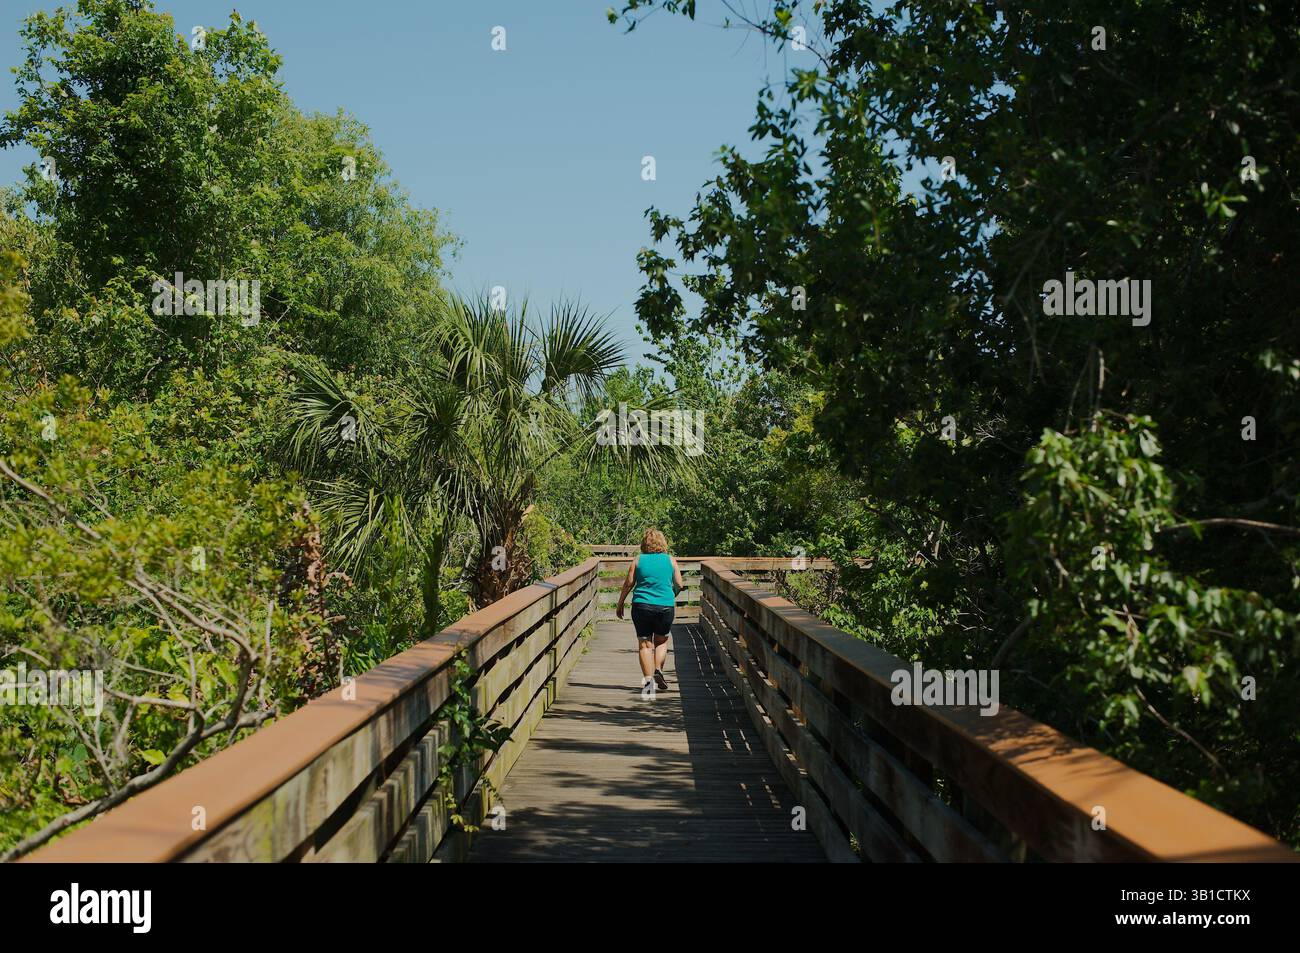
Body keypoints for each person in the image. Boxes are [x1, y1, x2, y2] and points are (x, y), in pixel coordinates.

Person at [615, 528, 683, 693]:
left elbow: (629, 584)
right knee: (661, 641)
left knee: (645, 644)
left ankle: (648, 685)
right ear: (663, 543)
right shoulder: (670, 560)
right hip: (665, 607)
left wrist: (620, 603)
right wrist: (670, 594)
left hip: (642, 606)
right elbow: (680, 585)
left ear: (644, 544)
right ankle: (658, 669)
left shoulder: (638, 560)